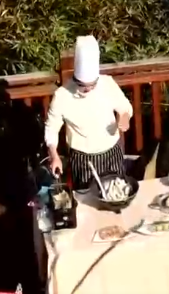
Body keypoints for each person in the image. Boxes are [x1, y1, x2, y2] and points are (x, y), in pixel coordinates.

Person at [45, 35, 133, 191]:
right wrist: (54, 155)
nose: (88, 89)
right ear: (75, 79)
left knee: (117, 192)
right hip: (83, 159)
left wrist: (124, 117)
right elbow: (51, 129)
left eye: (92, 85)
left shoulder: (107, 83)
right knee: (86, 197)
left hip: (112, 151)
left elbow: (125, 107)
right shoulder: (62, 95)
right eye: (82, 85)